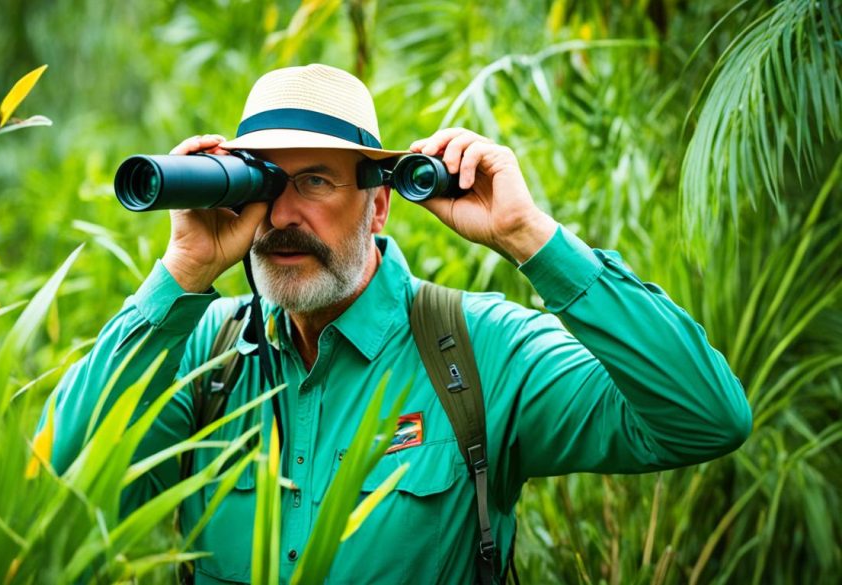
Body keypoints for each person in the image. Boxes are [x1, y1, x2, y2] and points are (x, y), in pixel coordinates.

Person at [43, 64, 751, 584]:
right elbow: (60, 476)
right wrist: (183, 274)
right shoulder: (209, 356)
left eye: (315, 181)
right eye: (263, 185)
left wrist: (531, 237)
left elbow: (705, 416)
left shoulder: (476, 353)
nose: (282, 216)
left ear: (378, 206)